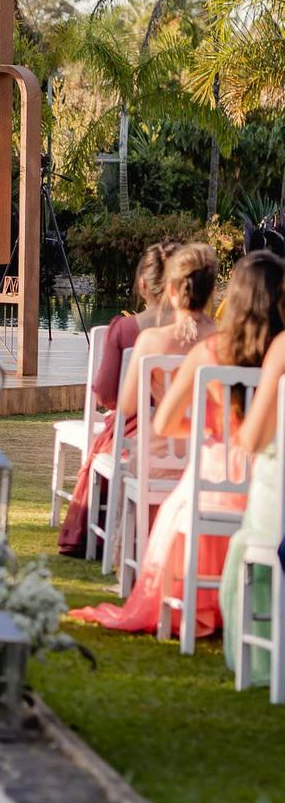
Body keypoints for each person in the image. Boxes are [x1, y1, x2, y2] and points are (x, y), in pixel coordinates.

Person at [70, 250, 285, 639]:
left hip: (213, 477)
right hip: (266, 482)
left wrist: (207, 430)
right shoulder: (274, 354)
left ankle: (188, 597)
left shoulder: (211, 352)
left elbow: (157, 417)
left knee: (175, 512)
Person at [57, 238, 185, 556]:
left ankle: (99, 533)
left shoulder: (126, 329)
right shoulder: (204, 335)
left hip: (137, 431)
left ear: (143, 285)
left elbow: (107, 394)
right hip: (190, 432)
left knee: (104, 447)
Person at [219, 322, 285, 683]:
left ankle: (263, 650)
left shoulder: (282, 348)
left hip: (277, 507)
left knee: (248, 541)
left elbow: (253, 438)